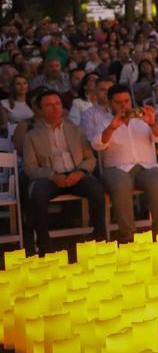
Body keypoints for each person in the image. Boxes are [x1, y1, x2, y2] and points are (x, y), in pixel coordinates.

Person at [22, 90, 107, 253]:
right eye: (49, 105)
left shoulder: (76, 130)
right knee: (38, 195)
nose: (55, 108)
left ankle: (100, 238)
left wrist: (80, 172)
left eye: (57, 104)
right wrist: (52, 176)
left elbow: (90, 158)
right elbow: (30, 167)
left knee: (96, 189)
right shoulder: (32, 136)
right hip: (49, 177)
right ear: (40, 110)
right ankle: (44, 244)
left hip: (76, 174)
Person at [87, 83, 158, 241]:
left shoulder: (142, 119)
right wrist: (112, 128)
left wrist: (152, 123)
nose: (123, 106)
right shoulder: (104, 122)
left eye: (126, 101)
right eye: (118, 102)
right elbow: (97, 144)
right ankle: (128, 236)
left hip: (146, 165)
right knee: (120, 185)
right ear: (110, 103)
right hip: (116, 168)